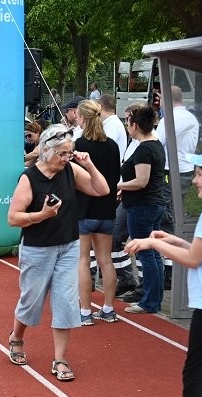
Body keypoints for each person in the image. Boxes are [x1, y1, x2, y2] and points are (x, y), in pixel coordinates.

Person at [125, 145, 202, 397]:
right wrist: (173, 240)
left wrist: (153, 243)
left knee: (195, 373)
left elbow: (195, 260)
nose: (195, 181)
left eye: (200, 175)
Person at [7, 124, 109, 381]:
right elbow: (13, 218)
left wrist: (89, 165)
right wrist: (41, 215)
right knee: (31, 301)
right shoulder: (28, 178)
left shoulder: (71, 171)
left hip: (68, 246)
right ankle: (16, 336)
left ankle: (60, 359)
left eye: (70, 152)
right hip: (37, 248)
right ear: (46, 150)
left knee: (65, 303)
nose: (66, 157)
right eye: (62, 153)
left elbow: (102, 190)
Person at [73, 99, 121, 325]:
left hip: (83, 211)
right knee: (106, 261)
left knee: (83, 261)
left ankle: (84, 312)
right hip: (107, 210)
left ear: (81, 118)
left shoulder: (77, 146)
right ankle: (109, 309)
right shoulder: (113, 146)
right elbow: (115, 175)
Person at [117, 105, 167, 314]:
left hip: (143, 206)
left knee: (147, 254)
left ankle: (150, 301)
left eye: (128, 123)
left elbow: (141, 181)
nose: (127, 127)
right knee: (153, 254)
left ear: (135, 125)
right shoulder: (153, 145)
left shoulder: (145, 148)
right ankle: (153, 298)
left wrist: (117, 186)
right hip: (150, 204)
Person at [155, 86, 200, 289]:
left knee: (166, 216)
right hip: (186, 169)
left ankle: (170, 269)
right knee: (175, 214)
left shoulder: (169, 119)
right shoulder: (191, 118)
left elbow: (157, 143)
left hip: (168, 171)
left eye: (161, 97)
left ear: (166, 98)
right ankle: (173, 267)